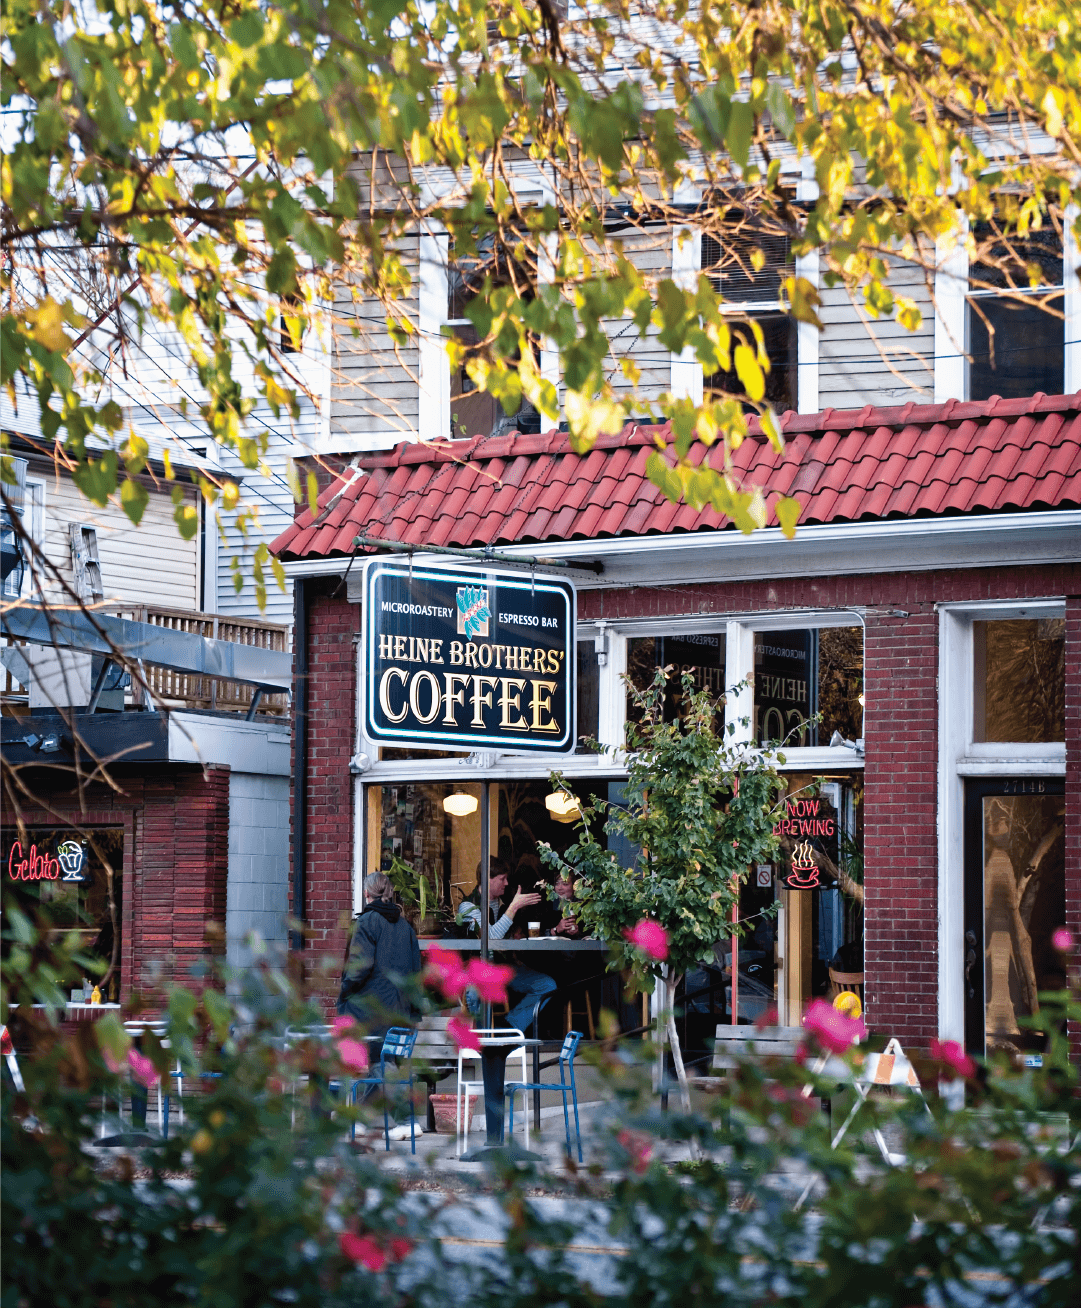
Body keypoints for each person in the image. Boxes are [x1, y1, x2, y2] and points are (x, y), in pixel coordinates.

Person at [458, 858, 557, 1034]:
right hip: (478, 970)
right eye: (502, 878)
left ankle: (509, 1029)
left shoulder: (502, 904)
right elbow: (490, 939)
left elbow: (510, 935)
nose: (507, 883)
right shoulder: (468, 906)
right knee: (474, 991)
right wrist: (514, 907)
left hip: (503, 968)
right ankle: (480, 1043)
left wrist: (550, 932)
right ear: (488, 878)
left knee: (546, 985)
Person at [338, 871, 421, 1039]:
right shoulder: (406, 926)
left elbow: (359, 967)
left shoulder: (366, 922)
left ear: (366, 893)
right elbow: (416, 972)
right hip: (400, 1015)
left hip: (372, 1015)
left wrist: (344, 992)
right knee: (388, 1062)